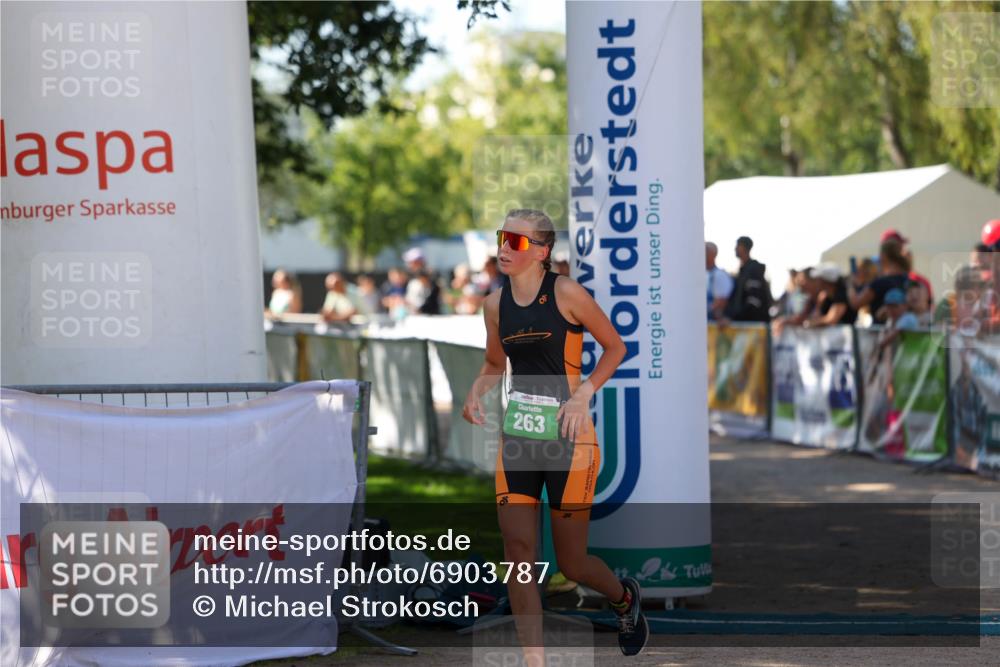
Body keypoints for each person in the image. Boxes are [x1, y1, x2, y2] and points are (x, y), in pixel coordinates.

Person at [462, 209, 647, 661]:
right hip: (518, 439)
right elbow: (494, 363)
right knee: (518, 551)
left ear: (542, 251)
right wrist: (476, 392)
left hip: (570, 439)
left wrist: (583, 395)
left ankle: (624, 598)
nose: (505, 247)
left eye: (518, 241)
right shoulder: (494, 304)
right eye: (503, 237)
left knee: (572, 564)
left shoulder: (566, 293)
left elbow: (616, 347)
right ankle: (535, 659)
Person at [848, 239, 910, 325]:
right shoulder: (908, 278)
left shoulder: (880, 283)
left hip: (882, 330)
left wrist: (850, 284)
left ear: (883, 256)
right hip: (903, 328)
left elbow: (855, 303)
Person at [881, 229, 934, 310]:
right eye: (899, 247)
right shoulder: (877, 278)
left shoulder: (918, 280)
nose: (904, 251)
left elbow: (929, 308)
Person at [724, 236, 771, 322]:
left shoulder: (754, 270)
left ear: (745, 247)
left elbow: (753, 302)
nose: (735, 248)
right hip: (742, 323)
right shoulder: (741, 272)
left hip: (753, 325)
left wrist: (734, 318)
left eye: (738, 245)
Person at [803, 263, 856, 327]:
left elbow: (831, 320)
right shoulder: (824, 296)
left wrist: (813, 322)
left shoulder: (842, 294)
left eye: (818, 279)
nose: (815, 282)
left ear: (825, 281)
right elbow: (816, 316)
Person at [403, 247, 442, 315]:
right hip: (413, 313)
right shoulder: (410, 275)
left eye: (412, 262)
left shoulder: (432, 275)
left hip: (429, 314)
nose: (410, 264)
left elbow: (434, 296)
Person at [705, 242, 733, 321]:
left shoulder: (719, 275)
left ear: (713, 254)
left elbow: (721, 303)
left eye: (706, 250)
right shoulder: (700, 275)